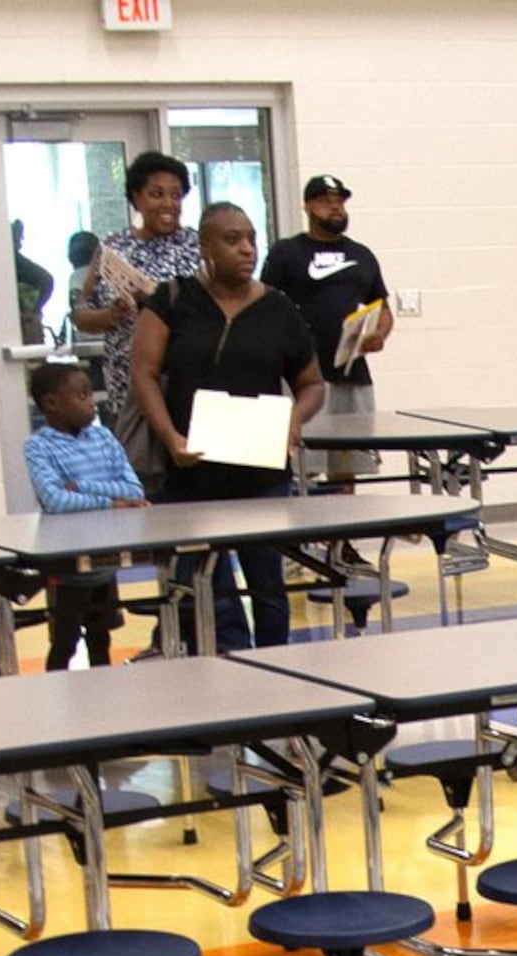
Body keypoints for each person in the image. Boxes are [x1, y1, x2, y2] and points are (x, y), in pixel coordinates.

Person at [132, 202, 327, 651]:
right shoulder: (173, 300)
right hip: (190, 472)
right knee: (207, 589)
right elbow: (143, 373)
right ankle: (229, 670)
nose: (246, 249)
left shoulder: (279, 309)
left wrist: (293, 421)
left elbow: (312, 383)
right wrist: (170, 437)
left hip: (260, 473)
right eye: (232, 239)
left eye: (251, 239)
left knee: (268, 586)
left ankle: (278, 671)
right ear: (205, 247)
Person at [68, 152, 201, 474]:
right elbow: (80, 313)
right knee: (140, 476)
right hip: (130, 385)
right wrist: (110, 316)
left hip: (187, 379)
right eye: (157, 194)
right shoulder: (113, 248)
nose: (169, 203)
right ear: (136, 198)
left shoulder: (198, 245)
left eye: (176, 195)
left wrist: (157, 301)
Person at [261, 174, 392, 490]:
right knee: (305, 462)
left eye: (339, 202)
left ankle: (342, 537)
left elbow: (383, 309)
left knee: (347, 462)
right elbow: (264, 305)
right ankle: (306, 536)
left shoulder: (362, 255)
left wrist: (379, 334)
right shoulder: (286, 252)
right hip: (304, 377)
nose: (335, 208)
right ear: (307, 207)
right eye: (325, 202)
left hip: (351, 372)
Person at [22, 361, 147, 669]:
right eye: (82, 396)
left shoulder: (103, 438)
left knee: (101, 636)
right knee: (64, 642)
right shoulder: (38, 447)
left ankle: (104, 703)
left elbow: (133, 491)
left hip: (107, 553)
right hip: (68, 562)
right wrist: (110, 501)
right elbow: (55, 499)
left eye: (91, 394)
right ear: (52, 403)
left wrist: (82, 487)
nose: (92, 402)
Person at [9, 219, 52, 344]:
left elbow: (46, 280)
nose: (20, 243)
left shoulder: (14, 260)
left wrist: (34, 310)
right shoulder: (10, 259)